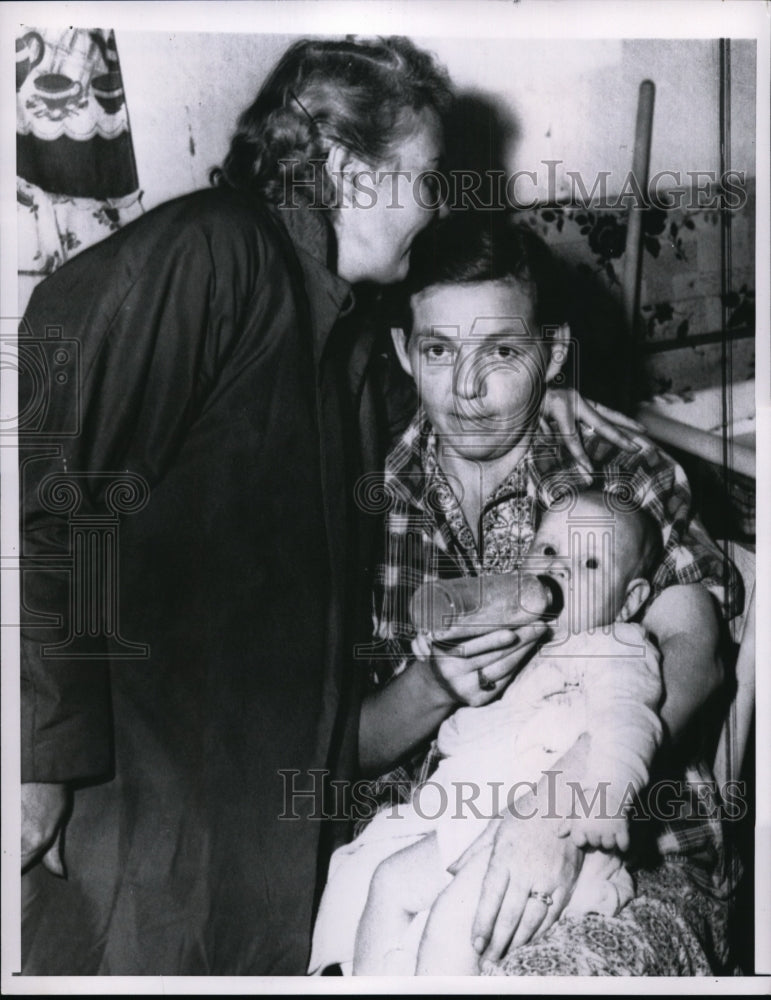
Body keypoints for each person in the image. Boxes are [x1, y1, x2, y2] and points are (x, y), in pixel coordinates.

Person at [18, 35, 639, 976]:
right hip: (134, 776)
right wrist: (36, 762)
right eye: (428, 178)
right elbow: (51, 491)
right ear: (349, 168)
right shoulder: (213, 251)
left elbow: (447, 403)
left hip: (242, 788)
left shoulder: (338, 327)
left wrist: (537, 386)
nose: (434, 207)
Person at [349, 216, 741, 976]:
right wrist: (432, 686)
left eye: (500, 350)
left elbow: (695, 657)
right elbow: (344, 745)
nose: (466, 388)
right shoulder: (366, 499)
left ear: (550, 352)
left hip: (635, 847)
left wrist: (561, 810)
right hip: (426, 844)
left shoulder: (612, 469)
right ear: (404, 351)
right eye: (438, 350)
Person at [309, 492, 666, 975]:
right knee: (366, 878)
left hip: (544, 829)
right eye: (546, 550)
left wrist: (608, 791)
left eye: (589, 562)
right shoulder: (517, 643)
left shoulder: (615, 646)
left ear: (630, 601)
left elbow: (630, 719)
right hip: (463, 814)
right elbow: (461, 711)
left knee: (447, 926)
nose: (559, 568)